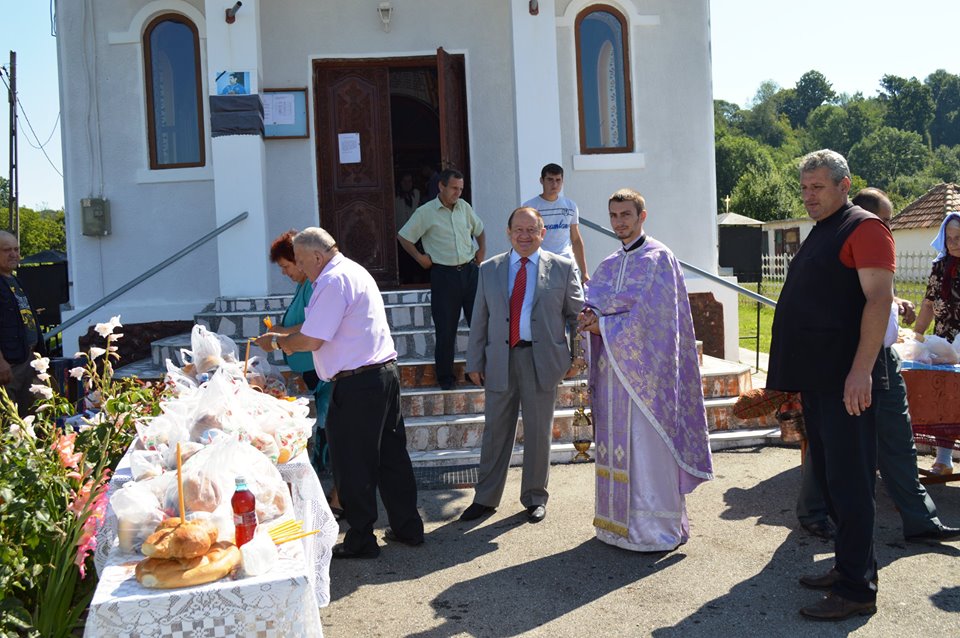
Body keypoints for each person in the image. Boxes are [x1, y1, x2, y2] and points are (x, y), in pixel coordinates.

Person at [767, 149, 893, 620]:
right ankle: (848, 569)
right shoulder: (825, 229)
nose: (808, 196)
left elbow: (879, 300)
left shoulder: (865, 228)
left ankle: (857, 591)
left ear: (844, 185)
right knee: (833, 482)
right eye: (804, 188)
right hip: (820, 382)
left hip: (847, 383)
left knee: (851, 484)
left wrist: (860, 371)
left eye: (817, 187)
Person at [794, 189, 960, 545]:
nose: (888, 227)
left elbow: (875, 292)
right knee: (831, 442)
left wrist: (896, 303)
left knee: (899, 441)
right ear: (864, 217)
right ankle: (814, 514)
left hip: (885, 358)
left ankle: (921, 520)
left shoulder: (875, 244)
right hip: (852, 359)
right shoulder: (842, 244)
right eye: (884, 220)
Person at [269, 227, 424, 558]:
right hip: (381, 374)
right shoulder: (352, 270)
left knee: (353, 462)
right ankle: (408, 526)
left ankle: (362, 538)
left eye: (300, 261)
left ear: (317, 256)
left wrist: (281, 342)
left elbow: (312, 339)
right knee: (392, 457)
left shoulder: (331, 280)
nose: (299, 268)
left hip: (357, 383)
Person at [578, 189, 713, 552]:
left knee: (645, 447)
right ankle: (616, 527)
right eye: (613, 215)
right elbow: (595, 304)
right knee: (616, 446)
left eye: (626, 214)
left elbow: (656, 320)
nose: (619, 222)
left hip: (648, 378)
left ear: (642, 216)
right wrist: (588, 318)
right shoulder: (608, 264)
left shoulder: (659, 258)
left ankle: (654, 529)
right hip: (611, 374)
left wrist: (604, 326)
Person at [459, 207, 584, 524]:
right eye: (518, 230)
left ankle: (535, 497)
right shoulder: (489, 269)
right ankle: (486, 498)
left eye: (531, 230)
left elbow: (577, 317)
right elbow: (479, 319)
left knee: (539, 432)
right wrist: (474, 361)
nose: (524, 236)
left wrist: (577, 356)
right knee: (495, 431)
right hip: (500, 360)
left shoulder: (562, 268)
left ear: (543, 233)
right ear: (508, 232)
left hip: (543, 361)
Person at [253, 230, 341, 518]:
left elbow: (312, 326)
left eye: (288, 266)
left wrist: (279, 336)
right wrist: (280, 333)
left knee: (332, 435)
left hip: (325, 372)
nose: (287, 272)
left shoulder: (318, 285)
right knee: (327, 434)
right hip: (314, 373)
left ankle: (337, 498)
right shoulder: (304, 286)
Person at [398, 169, 486, 390]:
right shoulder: (425, 212)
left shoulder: (464, 207)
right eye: (454, 188)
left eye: (461, 189)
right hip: (444, 275)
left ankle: (480, 371)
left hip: (470, 272)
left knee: (479, 324)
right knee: (446, 329)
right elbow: (404, 236)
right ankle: (445, 378)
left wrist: (482, 251)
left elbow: (480, 229)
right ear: (441, 186)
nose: (458, 193)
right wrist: (420, 258)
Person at [912, 212, 960, 476]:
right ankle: (944, 460)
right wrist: (917, 335)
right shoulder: (940, 266)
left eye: (959, 237)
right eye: (949, 238)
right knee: (945, 399)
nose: (953, 243)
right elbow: (929, 303)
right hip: (944, 341)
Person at [0, 231, 44, 417]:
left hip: (28, 357)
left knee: (31, 417)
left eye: (16, 249)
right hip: (9, 365)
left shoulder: (15, 280)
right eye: (7, 250)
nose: (13, 254)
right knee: (9, 419)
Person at [522, 164, 589, 283]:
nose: (554, 184)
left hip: (567, 264)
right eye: (550, 180)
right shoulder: (530, 207)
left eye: (558, 180)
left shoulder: (571, 206)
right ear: (541, 180)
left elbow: (576, 239)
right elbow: (525, 239)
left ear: (562, 181)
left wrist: (584, 272)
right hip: (541, 266)